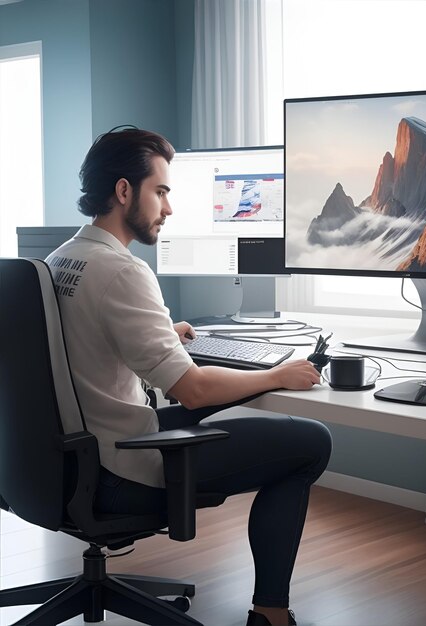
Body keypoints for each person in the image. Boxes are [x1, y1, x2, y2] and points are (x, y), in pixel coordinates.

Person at [46, 127, 332, 626]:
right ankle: (270, 613)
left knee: (232, 403)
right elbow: (194, 390)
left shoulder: (60, 260)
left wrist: (162, 332)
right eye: (161, 191)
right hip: (122, 470)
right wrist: (276, 373)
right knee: (310, 443)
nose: (168, 208)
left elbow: (85, 343)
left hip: (66, 462)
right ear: (123, 191)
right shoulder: (122, 271)